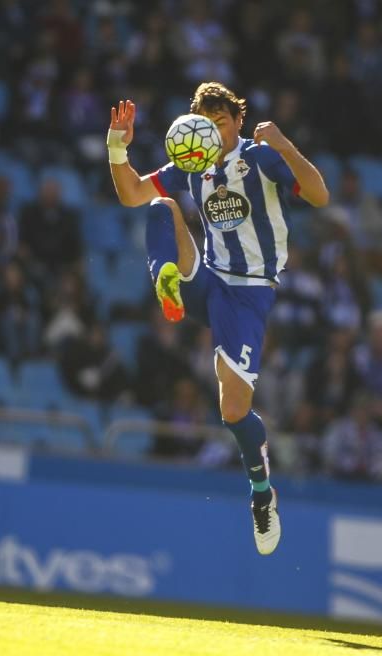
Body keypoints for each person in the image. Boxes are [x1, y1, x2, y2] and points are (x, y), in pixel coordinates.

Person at [107, 82, 329, 555]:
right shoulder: (192, 166)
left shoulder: (262, 158)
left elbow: (319, 195)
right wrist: (116, 146)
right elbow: (129, 193)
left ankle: (261, 493)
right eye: (207, 123)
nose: (214, 131)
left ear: (238, 122)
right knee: (159, 206)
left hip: (248, 294)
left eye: (222, 122)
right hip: (208, 280)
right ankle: (165, 278)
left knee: (233, 411)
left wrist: (285, 144)